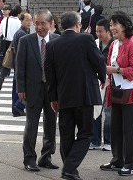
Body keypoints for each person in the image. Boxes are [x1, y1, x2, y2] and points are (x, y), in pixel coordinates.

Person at [45, 11, 106, 180]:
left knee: (66, 134)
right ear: (78, 25)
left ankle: (70, 170)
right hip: (85, 95)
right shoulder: (86, 39)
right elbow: (98, 60)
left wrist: (53, 98)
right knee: (86, 133)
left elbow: (50, 75)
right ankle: (70, 168)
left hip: (64, 96)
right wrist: (102, 77)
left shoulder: (52, 45)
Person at [100, 11, 133, 177]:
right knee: (116, 128)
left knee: (130, 130)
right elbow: (108, 64)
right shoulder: (115, 44)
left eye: (114, 24)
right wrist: (106, 77)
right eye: (111, 25)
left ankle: (132, 164)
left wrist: (116, 70)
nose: (112, 28)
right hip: (117, 92)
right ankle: (117, 160)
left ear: (125, 25)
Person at [16, 9, 60, 173]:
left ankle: (46, 157)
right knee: (31, 125)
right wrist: (20, 88)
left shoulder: (57, 40)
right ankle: (29, 158)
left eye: (43, 23)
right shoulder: (25, 41)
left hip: (51, 91)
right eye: (37, 23)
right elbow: (20, 67)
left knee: (50, 125)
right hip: (32, 89)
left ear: (51, 24)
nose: (39, 27)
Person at [89, 19, 114, 151]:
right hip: (97, 81)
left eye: (101, 31)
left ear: (108, 31)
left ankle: (108, 141)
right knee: (95, 110)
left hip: (110, 81)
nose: (98, 34)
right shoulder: (94, 43)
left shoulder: (114, 45)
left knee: (108, 112)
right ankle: (95, 140)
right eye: (96, 31)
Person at [11, 13, 33, 117]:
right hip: (21, 61)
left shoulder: (22, 32)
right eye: (27, 20)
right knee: (20, 85)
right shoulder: (22, 34)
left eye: (30, 20)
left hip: (18, 60)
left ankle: (16, 108)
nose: (29, 22)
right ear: (21, 21)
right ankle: (18, 106)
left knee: (17, 85)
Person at [0, 5, 22, 91]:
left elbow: (0, 32)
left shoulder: (5, 19)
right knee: (17, 62)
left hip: (4, 42)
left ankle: (2, 76)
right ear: (18, 13)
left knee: (6, 61)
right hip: (14, 43)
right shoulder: (18, 22)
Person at [0, 4, 11, 70]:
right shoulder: (0, 19)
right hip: (1, 39)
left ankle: (6, 68)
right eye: (3, 10)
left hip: (9, 39)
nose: (4, 11)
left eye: (5, 10)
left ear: (9, 11)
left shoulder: (12, 19)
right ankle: (1, 66)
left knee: (8, 54)